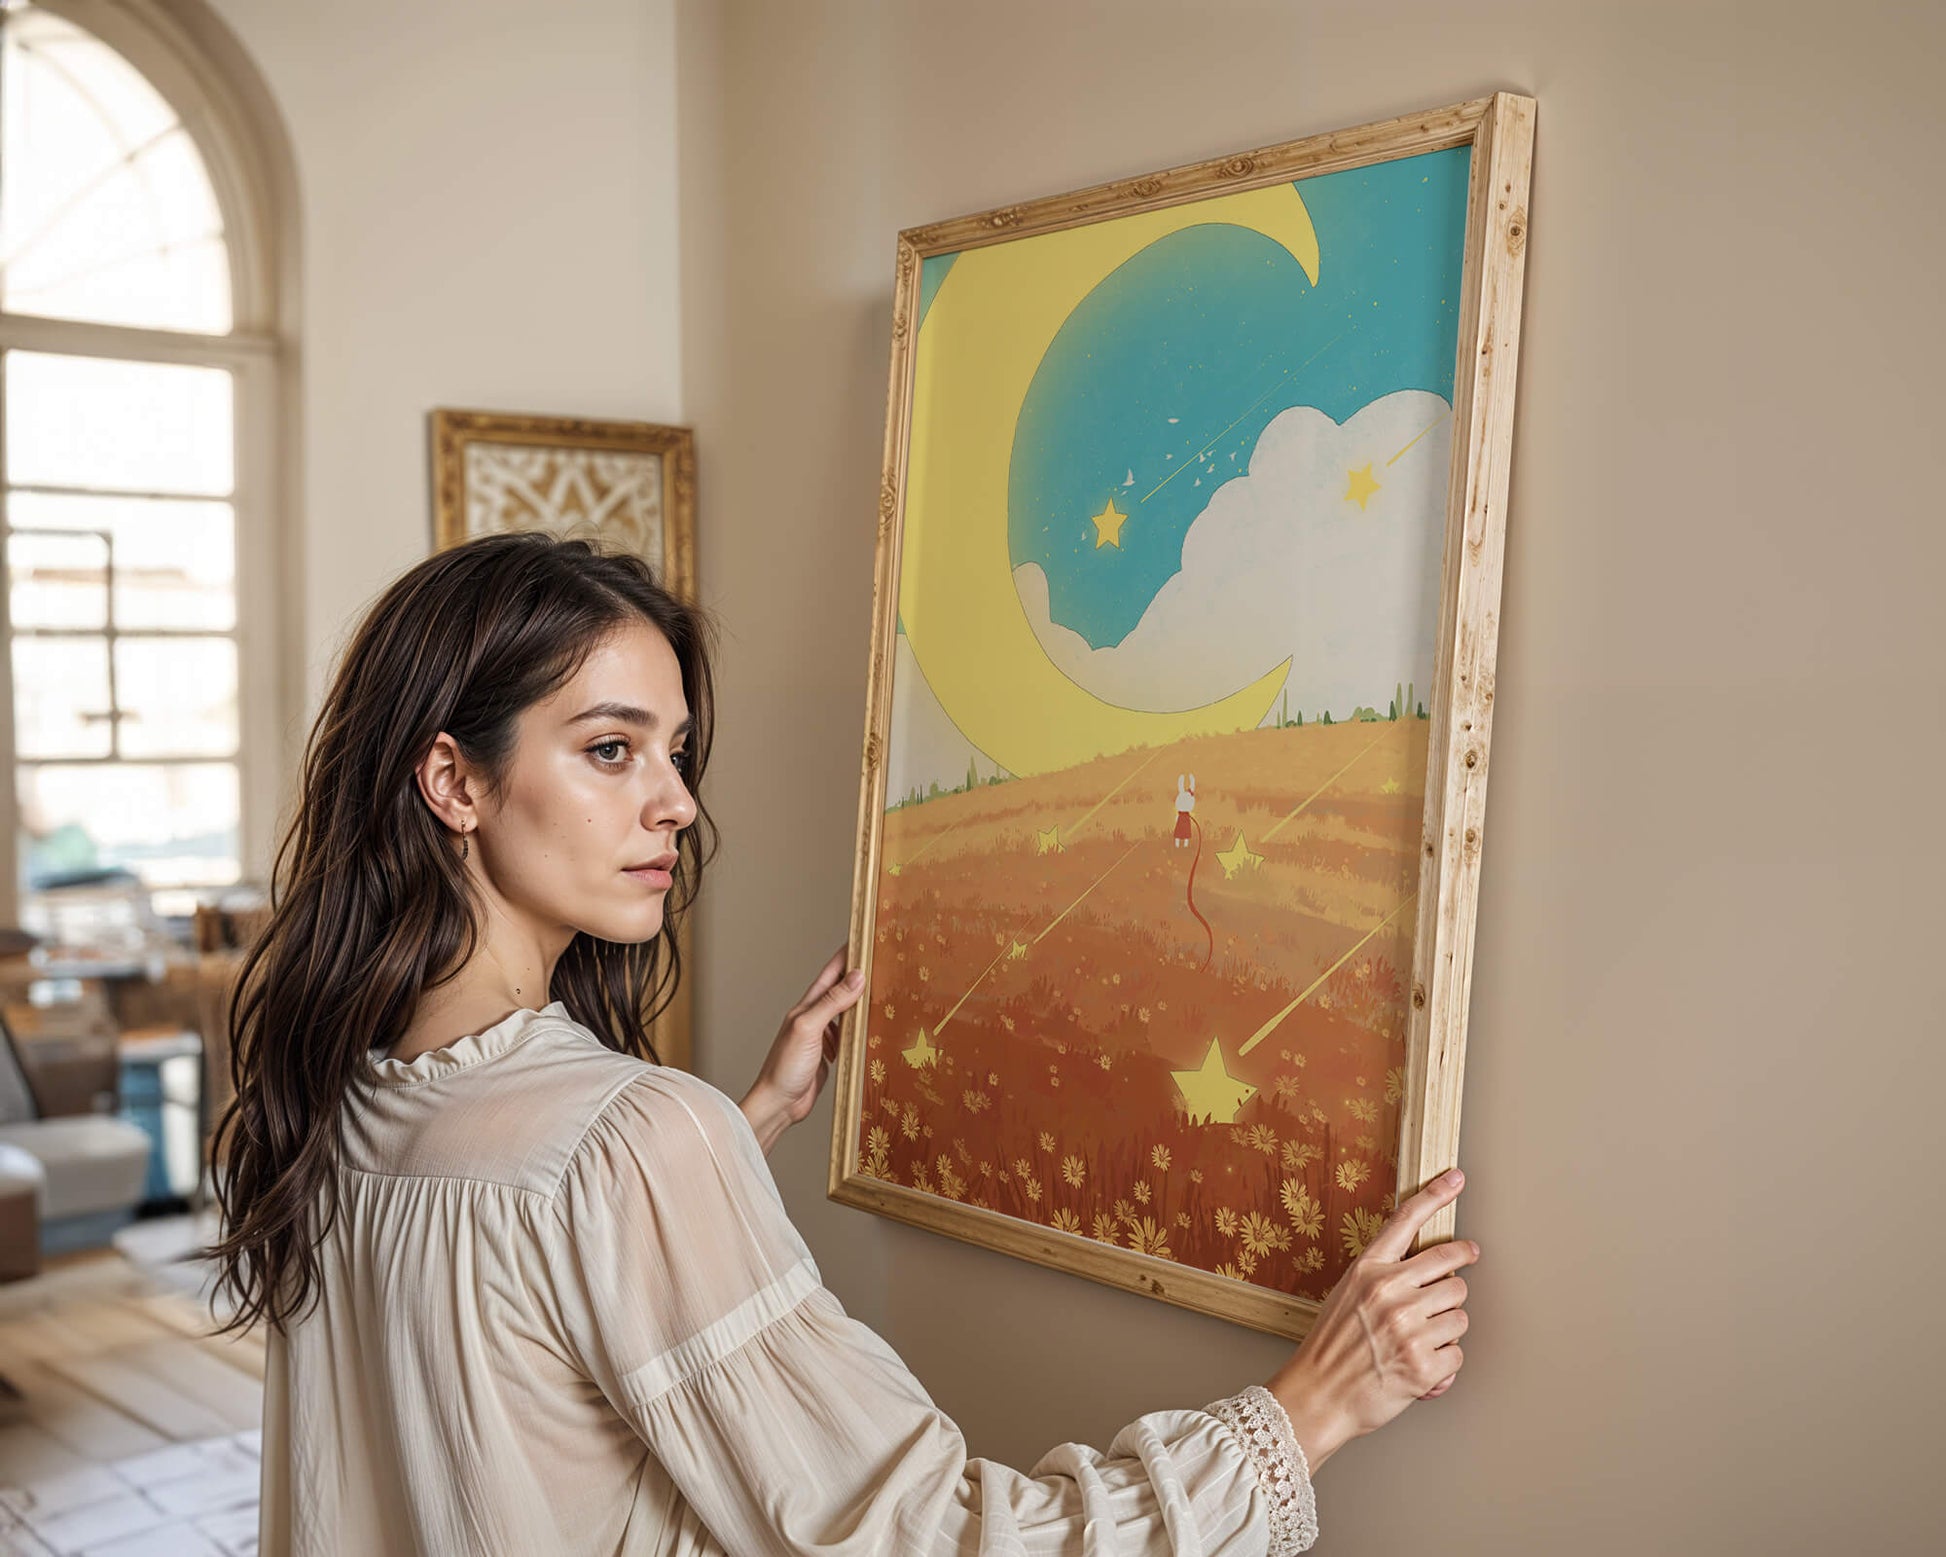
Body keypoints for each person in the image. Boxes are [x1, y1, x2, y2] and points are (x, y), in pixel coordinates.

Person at [204, 532, 1477, 1555]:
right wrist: (1312, 1407)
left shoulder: (344, 1098)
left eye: (675, 752)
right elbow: (924, 1538)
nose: (675, 802)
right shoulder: (628, 1144)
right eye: (609, 750)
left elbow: (508, 1327)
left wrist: (737, 1129)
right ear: (454, 782)